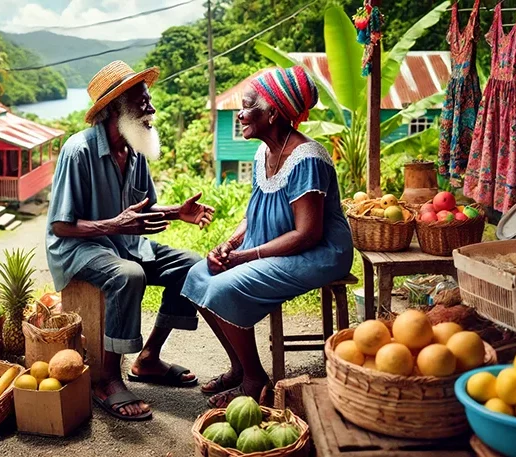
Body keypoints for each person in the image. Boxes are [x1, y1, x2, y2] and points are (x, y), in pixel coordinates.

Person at [45, 61, 215, 421]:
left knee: (191, 266)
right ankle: (107, 379)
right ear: (116, 108)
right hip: (78, 249)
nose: (151, 108)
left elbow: (143, 210)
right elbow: (61, 226)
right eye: (142, 102)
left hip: (122, 244)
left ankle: (148, 359)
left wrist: (175, 213)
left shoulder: (135, 150)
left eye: (148, 100)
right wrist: (115, 224)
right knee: (129, 275)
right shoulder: (79, 151)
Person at [181, 66, 354, 407]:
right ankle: (239, 366)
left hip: (317, 253)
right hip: (272, 243)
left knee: (223, 286)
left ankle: (255, 380)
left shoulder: (308, 159)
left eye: (247, 106)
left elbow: (308, 234)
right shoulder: (263, 152)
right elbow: (253, 213)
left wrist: (243, 257)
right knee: (198, 275)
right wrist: (229, 245)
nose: (241, 114)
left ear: (273, 112)